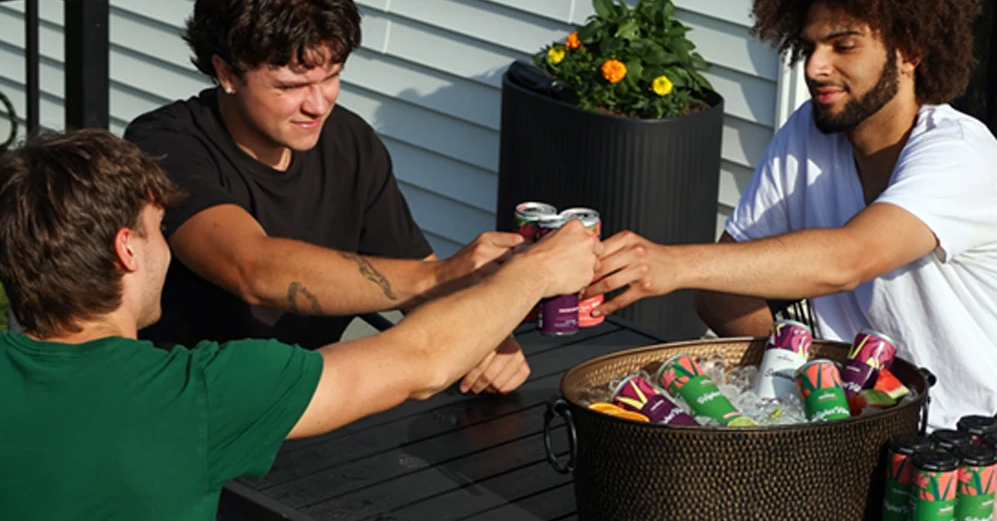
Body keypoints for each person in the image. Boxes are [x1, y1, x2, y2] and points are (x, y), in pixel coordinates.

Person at [0, 129, 598, 521]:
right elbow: (421, 362)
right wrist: (538, 272)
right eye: (158, 230)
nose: (167, 248)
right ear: (127, 249)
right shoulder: (198, 394)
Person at [586, 0, 997, 428]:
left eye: (844, 45)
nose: (815, 67)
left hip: (971, 445)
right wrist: (805, 377)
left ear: (909, 52)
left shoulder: (962, 158)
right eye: (809, 47)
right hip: (844, 429)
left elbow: (848, 260)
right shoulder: (808, 131)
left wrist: (671, 263)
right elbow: (719, 295)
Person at [125, 0, 526, 395]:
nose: (318, 105)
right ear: (227, 73)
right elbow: (252, 268)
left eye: (332, 76)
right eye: (291, 86)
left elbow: (419, 281)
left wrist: (485, 337)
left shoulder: (349, 141)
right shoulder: (164, 143)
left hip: (311, 398)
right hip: (185, 399)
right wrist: (442, 276)